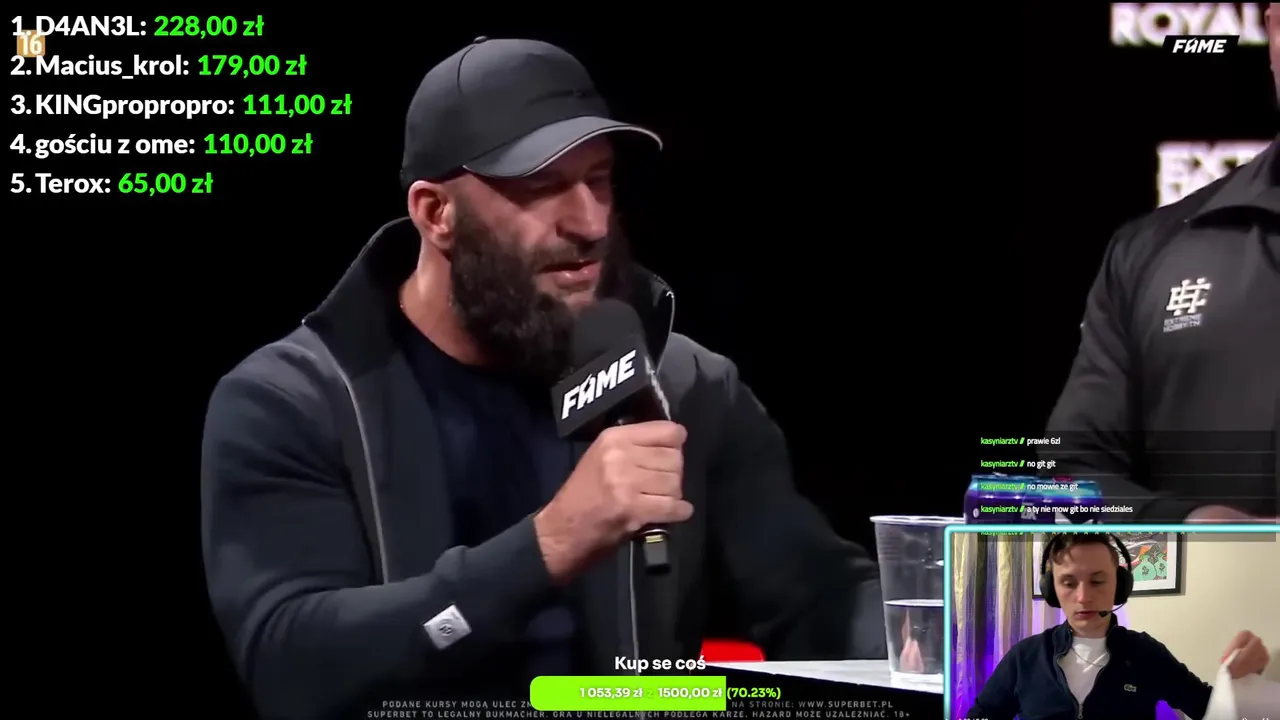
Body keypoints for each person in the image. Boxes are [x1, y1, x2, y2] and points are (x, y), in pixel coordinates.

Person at [200, 37, 887, 720]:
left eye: (599, 180)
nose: (589, 223)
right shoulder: (294, 402)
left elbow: (819, 601)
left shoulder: (683, 385)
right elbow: (293, 672)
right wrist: (548, 545)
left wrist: (928, 634)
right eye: (541, 188)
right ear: (436, 214)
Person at [1038, 4, 1280, 524]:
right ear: (1275, 30)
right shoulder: (1152, 249)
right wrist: (1190, 524)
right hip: (1211, 581)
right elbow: (1067, 479)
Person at [966, 533, 1270, 720]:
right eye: (1068, 583)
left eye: (1098, 581)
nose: (1083, 597)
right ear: (1052, 590)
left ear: (1119, 586)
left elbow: (1211, 709)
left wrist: (1242, 685)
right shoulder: (1025, 656)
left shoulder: (1145, 653)